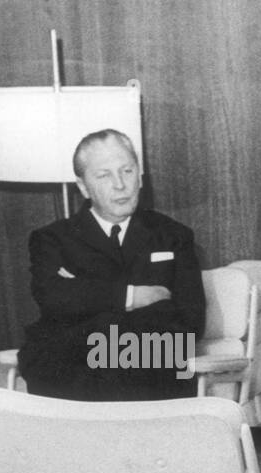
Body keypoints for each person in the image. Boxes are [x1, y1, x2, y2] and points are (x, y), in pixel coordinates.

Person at [18, 129, 205, 401]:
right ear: (83, 187)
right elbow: (53, 299)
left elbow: (191, 319)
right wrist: (132, 297)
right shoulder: (52, 239)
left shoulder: (173, 235)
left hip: (148, 361)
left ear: (139, 175)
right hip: (74, 362)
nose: (120, 185)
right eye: (104, 175)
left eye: (127, 171)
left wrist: (86, 296)